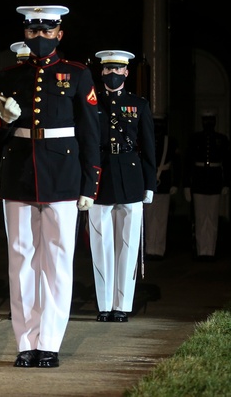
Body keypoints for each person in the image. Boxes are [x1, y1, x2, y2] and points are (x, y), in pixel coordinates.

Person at [0, 5, 100, 369]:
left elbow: (90, 133)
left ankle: (48, 341)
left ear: (59, 33)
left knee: (57, 261)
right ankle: (25, 341)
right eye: (32, 31)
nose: (39, 37)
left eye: (46, 30)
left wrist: (89, 182)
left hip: (63, 177)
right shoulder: (10, 76)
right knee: (20, 262)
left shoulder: (77, 75)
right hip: (19, 174)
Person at [89, 50, 156, 322]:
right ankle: (105, 305)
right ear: (101, 72)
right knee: (101, 243)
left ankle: (122, 305)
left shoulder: (138, 104)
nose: (113, 74)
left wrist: (149, 184)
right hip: (100, 177)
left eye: (118, 70)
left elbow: (148, 146)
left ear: (127, 72)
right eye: (108, 70)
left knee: (128, 245)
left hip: (130, 175)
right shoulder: (91, 104)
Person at [185, 109, 230, 261]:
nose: (208, 123)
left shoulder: (222, 139)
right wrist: (187, 184)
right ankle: (201, 250)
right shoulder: (195, 138)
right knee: (200, 217)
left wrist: (226, 183)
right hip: (199, 179)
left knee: (212, 218)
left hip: (215, 179)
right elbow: (188, 162)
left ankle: (210, 250)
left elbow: (227, 163)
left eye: (211, 120)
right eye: (206, 120)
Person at [144, 117, 181, 260]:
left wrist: (175, 183)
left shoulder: (170, 142)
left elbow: (177, 164)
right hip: (149, 183)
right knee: (148, 217)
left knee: (161, 219)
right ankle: (149, 248)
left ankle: (158, 249)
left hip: (164, 183)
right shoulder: (145, 138)